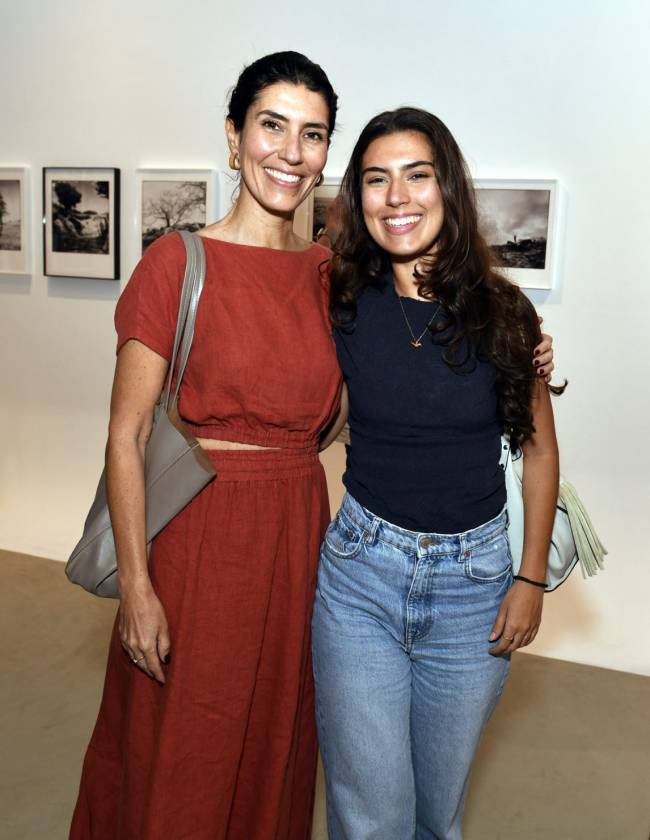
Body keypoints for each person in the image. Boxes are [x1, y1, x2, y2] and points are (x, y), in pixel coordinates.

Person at [69, 52, 344, 840]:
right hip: (195, 545)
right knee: (177, 750)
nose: (291, 152)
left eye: (313, 134)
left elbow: (389, 390)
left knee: (274, 745)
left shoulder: (333, 276)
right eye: (272, 125)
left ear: (328, 153)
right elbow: (126, 435)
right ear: (233, 138)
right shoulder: (174, 264)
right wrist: (139, 588)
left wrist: (521, 355)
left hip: (297, 548)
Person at [312, 107, 563, 840]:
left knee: (437, 815)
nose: (398, 197)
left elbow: (541, 452)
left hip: (475, 591)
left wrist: (530, 577)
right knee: (368, 814)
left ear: (448, 187)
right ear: (357, 199)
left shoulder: (506, 315)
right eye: (376, 180)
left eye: (417, 176)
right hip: (360, 577)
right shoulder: (341, 302)